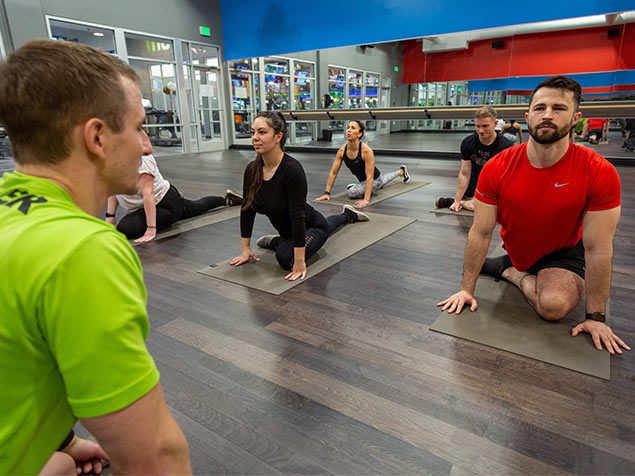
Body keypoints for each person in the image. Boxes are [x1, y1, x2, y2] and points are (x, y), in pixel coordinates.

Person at [0, 40, 191, 474]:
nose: (146, 146)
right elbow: (156, 456)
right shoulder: (82, 250)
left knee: (62, 466)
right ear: (98, 136)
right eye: (138, 127)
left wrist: (62, 441)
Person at [437, 75, 629, 355]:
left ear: (575, 117)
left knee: (553, 306)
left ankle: (508, 271)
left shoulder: (598, 171)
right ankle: (510, 266)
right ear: (527, 116)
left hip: (563, 250)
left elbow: (598, 249)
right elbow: (480, 231)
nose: (547, 115)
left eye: (559, 108)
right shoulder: (498, 167)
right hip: (518, 244)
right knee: (518, 262)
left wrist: (596, 317)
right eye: (540, 108)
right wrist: (467, 290)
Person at [230, 112, 369, 281]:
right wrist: (245, 249)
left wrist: (300, 261)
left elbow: (297, 217)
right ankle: (345, 215)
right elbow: (247, 209)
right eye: (253, 132)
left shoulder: (292, 170)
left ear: (278, 136)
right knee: (288, 246)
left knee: (285, 258)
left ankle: (347, 216)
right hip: (291, 233)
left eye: (262, 132)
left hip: (311, 226)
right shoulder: (252, 170)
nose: (255, 138)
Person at [106, 153, 242, 243]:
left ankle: (227, 200)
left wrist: (151, 228)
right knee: (197, 206)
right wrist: (110, 216)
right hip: (145, 208)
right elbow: (112, 187)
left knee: (126, 228)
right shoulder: (107, 160)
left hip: (166, 203)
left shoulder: (141, 159)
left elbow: (148, 195)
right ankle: (228, 199)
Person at [314, 120, 409, 208]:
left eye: (353, 128)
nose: (349, 130)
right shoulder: (342, 151)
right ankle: (400, 172)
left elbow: (370, 177)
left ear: (359, 134)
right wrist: (327, 193)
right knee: (382, 180)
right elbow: (333, 173)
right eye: (348, 127)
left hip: (373, 178)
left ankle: (399, 172)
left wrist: (366, 199)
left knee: (353, 192)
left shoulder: (366, 151)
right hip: (365, 181)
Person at [435, 106, 513, 212]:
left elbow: (506, 179)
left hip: (492, 190)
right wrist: (457, 200)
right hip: (472, 189)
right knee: (482, 207)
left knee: (495, 208)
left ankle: (453, 201)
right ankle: (462, 201)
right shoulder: (468, 143)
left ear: (495, 124)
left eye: (485, 126)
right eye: (477, 126)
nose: (480, 130)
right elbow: (464, 173)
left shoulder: (506, 147)